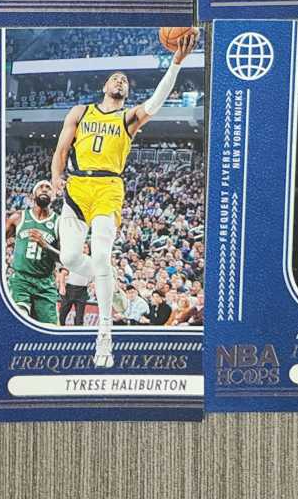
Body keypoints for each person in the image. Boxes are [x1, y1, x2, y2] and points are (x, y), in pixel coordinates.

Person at [51, 30, 195, 367]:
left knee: (101, 257)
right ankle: (109, 284)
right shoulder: (80, 112)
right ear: (105, 86)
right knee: (70, 258)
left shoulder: (128, 118)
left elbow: (156, 102)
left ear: (126, 92)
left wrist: (175, 63)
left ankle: (105, 333)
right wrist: (56, 176)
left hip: (108, 188)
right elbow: (60, 150)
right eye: (115, 78)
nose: (120, 81)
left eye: (125, 81)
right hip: (76, 187)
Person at [6, 179, 62, 324]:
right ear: (33, 195)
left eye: (48, 187)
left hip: (45, 284)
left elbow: (64, 258)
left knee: (50, 329)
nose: (44, 189)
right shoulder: (18, 217)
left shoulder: (59, 223)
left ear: (53, 196)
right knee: (20, 319)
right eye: (40, 187)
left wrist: (45, 245)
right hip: (21, 280)